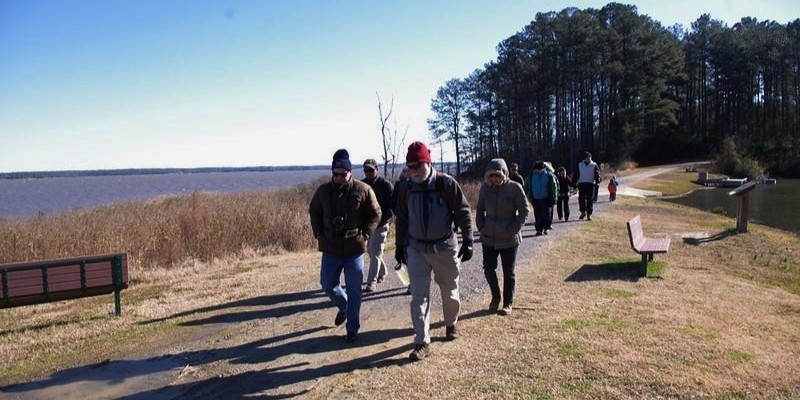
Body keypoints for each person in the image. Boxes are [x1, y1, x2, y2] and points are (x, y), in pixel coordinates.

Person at [394, 141, 474, 362]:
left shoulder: (446, 184)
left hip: (445, 247)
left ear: (428, 163)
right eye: (410, 166)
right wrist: (400, 246)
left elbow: (463, 211)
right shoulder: (405, 188)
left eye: (417, 165)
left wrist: (468, 240)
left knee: (449, 290)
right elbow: (401, 218)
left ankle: (451, 324)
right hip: (416, 248)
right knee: (418, 296)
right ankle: (422, 341)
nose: (413, 171)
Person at [309, 149, 381, 343]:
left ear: (350, 172)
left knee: (355, 288)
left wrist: (365, 234)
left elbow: (376, 213)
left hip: (354, 250)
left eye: (343, 174)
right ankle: (344, 305)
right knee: (328, 285)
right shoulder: (323, 191)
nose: (339, 177)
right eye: (336, 174)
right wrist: (318, 233)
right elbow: (314, 211)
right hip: (330, 249)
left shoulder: (363, 190)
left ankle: (352, 328)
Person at [476, 158, 530, 316]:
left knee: (509, 272)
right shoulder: (485, 189)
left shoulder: (515, 188)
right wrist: (481, 227)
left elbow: (525, 211)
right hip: (489, 237)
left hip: (509, 239)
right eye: (491, 176)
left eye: (497, 175)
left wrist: (513, 229)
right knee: (488, 268)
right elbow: (479, 210)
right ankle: (496, 296)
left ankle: (508, 302)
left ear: (504, 174)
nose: (494, 179)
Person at [361, 159, 394, 293]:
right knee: (370, 250)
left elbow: (392, 205)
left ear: (377, 169)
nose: (368, 172)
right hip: (368, 225)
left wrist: (384, 220)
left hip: (382, 224)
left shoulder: (385, 185)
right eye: (366, 170)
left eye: (371, 170)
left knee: (375, 252)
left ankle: (371, 282)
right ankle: (382, 272)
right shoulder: (361, 185)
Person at [527, 161, 558, 235]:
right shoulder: (531, 176)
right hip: (535, 199)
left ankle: (546, 227)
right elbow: (526, 185)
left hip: (546, 198)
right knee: (537, 215)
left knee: (546, 214)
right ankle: (539, 229)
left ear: (544, 168)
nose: (539, 170)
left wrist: (554, 197)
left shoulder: (549, 176)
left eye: (540, 169)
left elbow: (554, 187)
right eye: (537, 169)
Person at [572, 151, 600, 221]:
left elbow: (597, 175)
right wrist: (574, 183)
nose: (589, 158)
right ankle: (582, 212)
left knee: (589, 200)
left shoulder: (594, 165)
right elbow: (576, 175)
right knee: (581, 199)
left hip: (590, 184)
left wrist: (597, 181)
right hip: (581, 184)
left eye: (590, 157)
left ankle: (589, 214)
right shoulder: (580, 165)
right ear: (585, 158)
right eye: (588, 157)